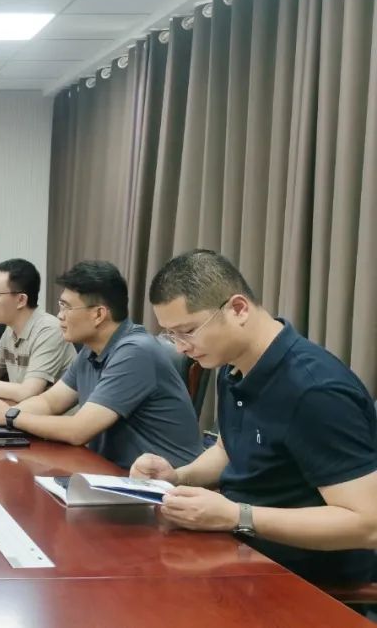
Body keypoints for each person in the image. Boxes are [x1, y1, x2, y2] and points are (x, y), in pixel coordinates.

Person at [132, 249, 376, 585]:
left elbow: (367, 524)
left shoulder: (314, 391)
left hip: (304, 578)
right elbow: (229, 449)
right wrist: (177, 477)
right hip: (241, 551)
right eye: (171, 334)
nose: (180, 347)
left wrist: (237, 516)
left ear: (238, 309)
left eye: (187, 331)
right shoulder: (232, 364)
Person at [0, 260, 202, 470]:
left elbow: (78, 430)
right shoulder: (92, 349)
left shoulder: (135, 352)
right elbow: (50, 402)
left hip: (161, 484)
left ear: (98, 314)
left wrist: (9, 415)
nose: (60, 316)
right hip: (111, 472)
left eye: (66, 307)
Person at [0, 258, 75, 403]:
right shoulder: (10, 329)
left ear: (21, 300)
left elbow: (28, 392)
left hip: (51, 416)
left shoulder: (49, 330)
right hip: (18, 411)